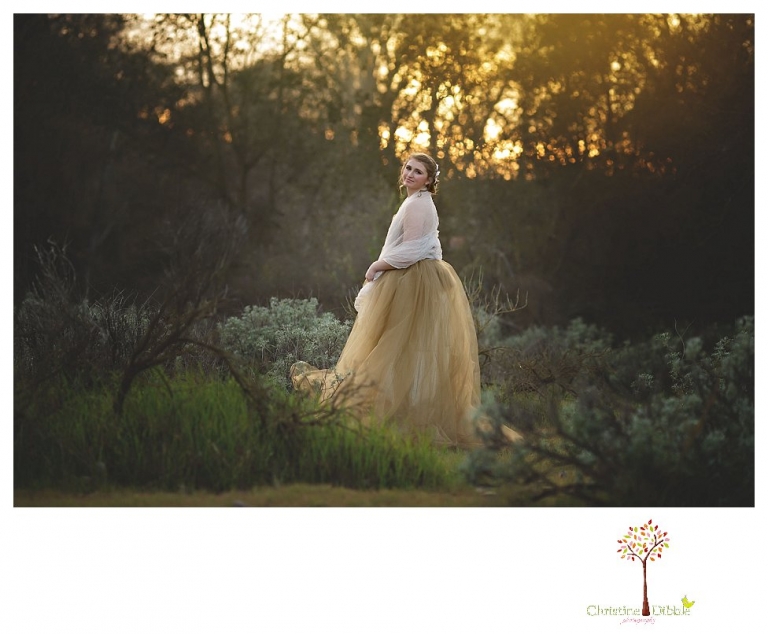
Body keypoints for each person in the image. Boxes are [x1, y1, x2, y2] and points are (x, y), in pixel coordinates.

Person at [291, 152, 519, 447]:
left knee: (393, 346)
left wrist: (376, 266)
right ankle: (397, 410)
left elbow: (412, 250)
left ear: (429, 180)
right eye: (408, 168)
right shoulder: (416, 202)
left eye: (418, 172)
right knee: (401, 348)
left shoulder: (418, 205)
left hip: (412, 280)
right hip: (414, 277)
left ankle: (394, 413)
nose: (410, 174)